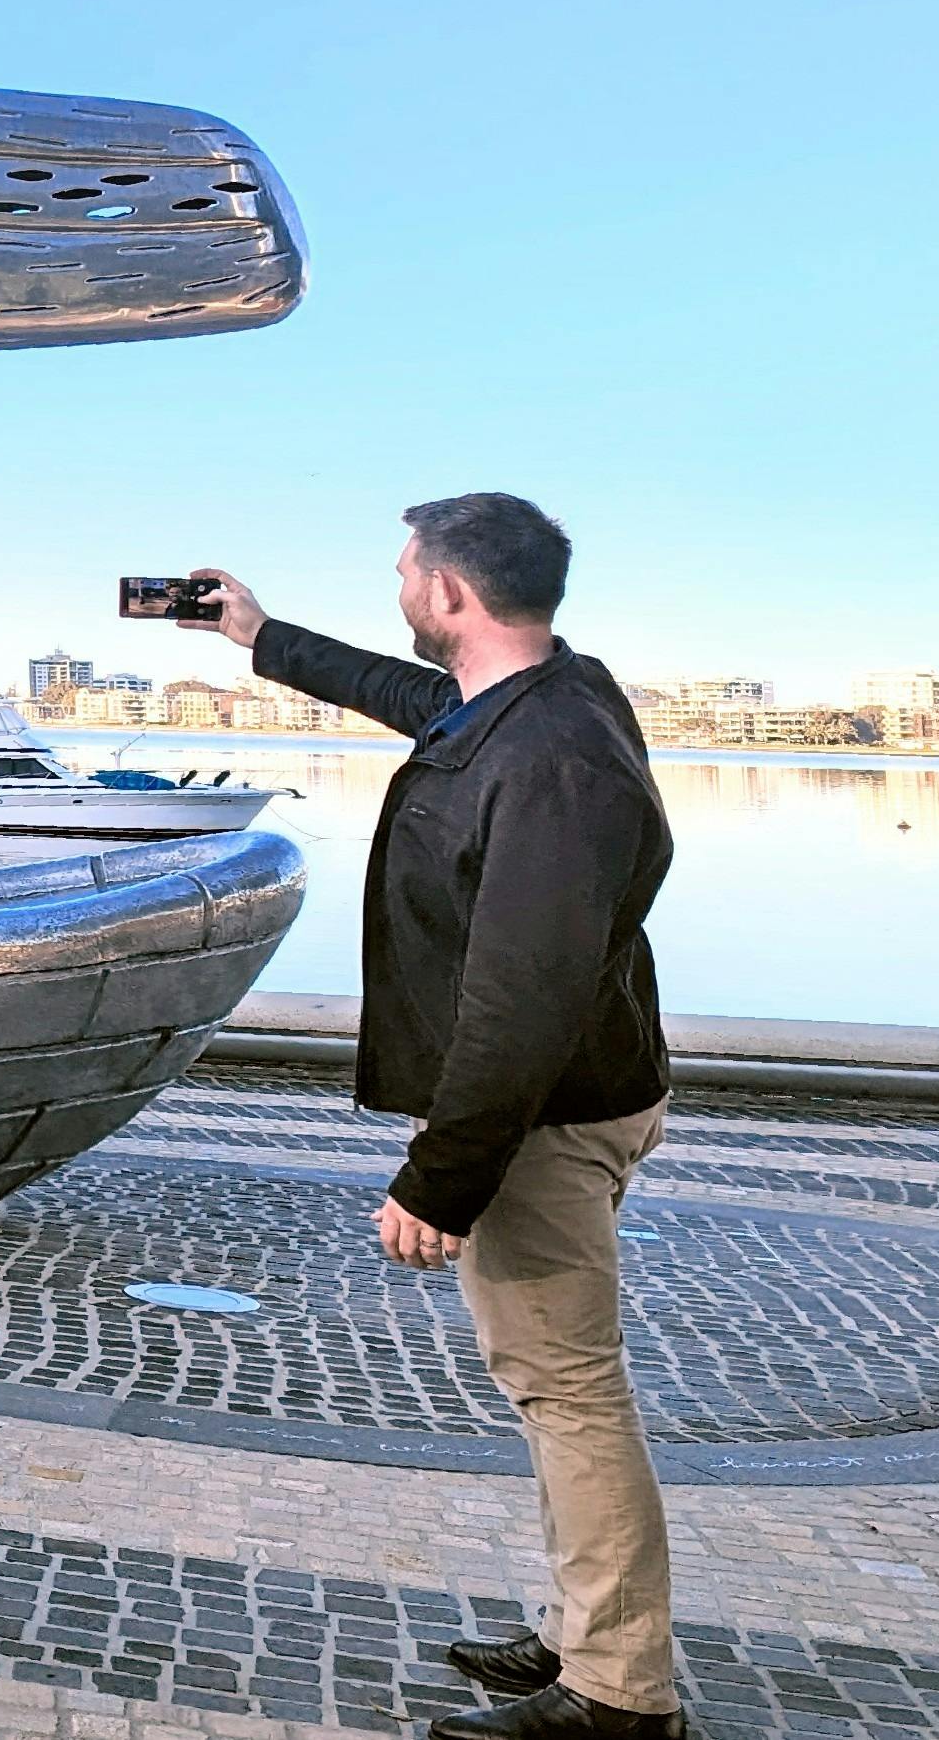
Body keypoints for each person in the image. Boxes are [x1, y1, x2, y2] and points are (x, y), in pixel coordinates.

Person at [186, 495, 683, 1740]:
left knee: (568, 1387)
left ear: (451, 594)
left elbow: (523, 998)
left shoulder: (550, 757)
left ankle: (619, 1692)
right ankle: (587, 1632)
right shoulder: (537, 700)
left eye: (406, 574)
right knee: (551, 1383)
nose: (398, 591)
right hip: (562, 1102)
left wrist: (439, 1179)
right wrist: (259, 633)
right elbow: (412, 704)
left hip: (543, 1123)